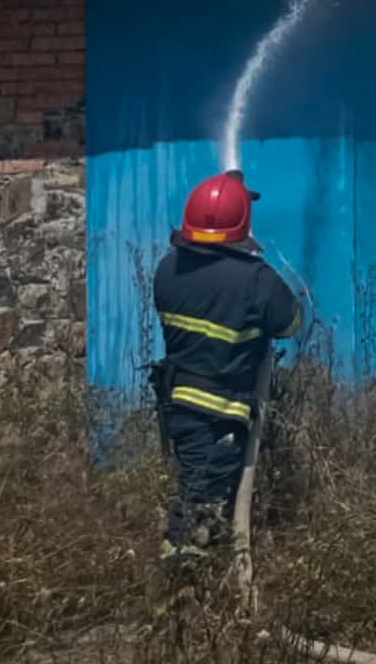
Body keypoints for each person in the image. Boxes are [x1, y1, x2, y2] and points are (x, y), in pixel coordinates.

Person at [149, 170, 302, 578]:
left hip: (177, 409)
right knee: (202, 504)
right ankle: (184, 596)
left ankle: (199, 591)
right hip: (222, 415)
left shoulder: (167, 270)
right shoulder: (255, 280)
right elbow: (290, 323)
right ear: (241, 224)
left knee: (196, 491)